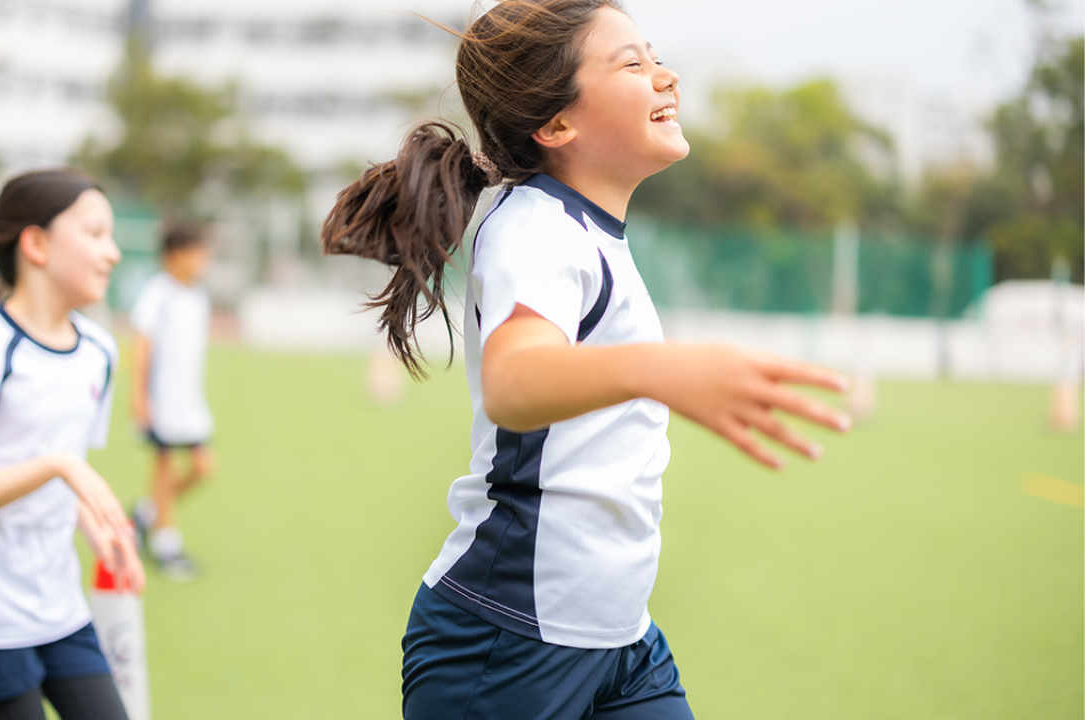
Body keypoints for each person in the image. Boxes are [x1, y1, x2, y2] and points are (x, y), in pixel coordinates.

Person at [320, 2, 853, 718]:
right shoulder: (539, 230)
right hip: (507, 642)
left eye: (654, 54)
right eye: (632, 63)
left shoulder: (583, 230)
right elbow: (514, 381)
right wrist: (664, 370)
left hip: (619, 642)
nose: (665, 75)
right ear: (557, 126)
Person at [0, 169, 144, 720]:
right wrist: (57, 467)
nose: (112, 252)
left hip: (58, 600)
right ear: (36, 245)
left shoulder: (99, 351)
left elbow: (66, 469)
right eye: (94, 234)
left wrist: (100, 532)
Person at [129, 223, 215, 582]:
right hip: (161, 402)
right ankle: (166, 544)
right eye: (198, 252)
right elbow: (142, 348)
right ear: (175, 255)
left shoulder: (198, 298)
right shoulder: (157, 295)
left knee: (203, 468)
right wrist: (139, 398)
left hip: (189, 404)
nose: (204, 260)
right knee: (163, 470)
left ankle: (144, 515)